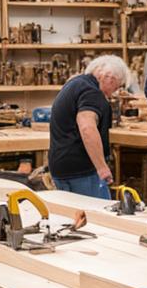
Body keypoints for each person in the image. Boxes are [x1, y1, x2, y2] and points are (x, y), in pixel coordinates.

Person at [48, 55, 129, 198]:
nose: (113, 93)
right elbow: (87, 128)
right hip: (81, 170)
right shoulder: (92, 93)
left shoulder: (76, 84)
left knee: (71, 216)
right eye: (116, 86)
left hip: (61, 166)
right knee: (98, 216)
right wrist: (102, 168)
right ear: (108, 77)